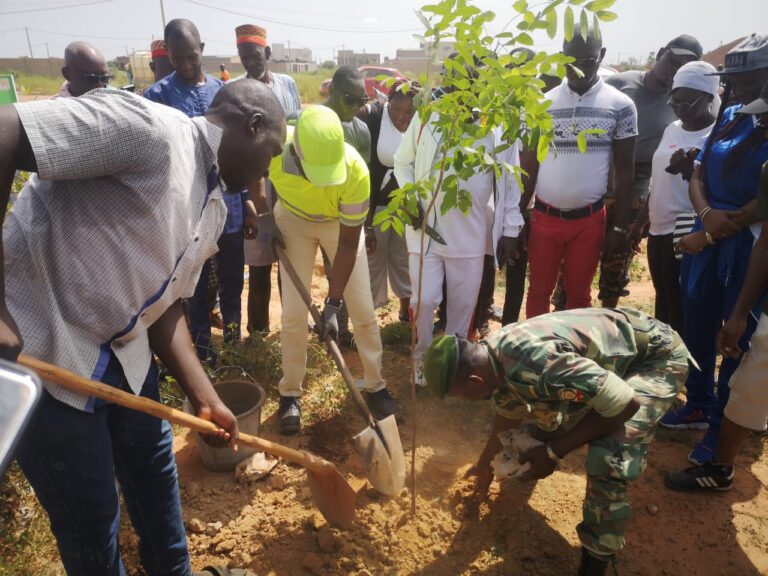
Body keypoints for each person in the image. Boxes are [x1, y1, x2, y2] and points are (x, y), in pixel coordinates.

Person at [0, 80, 285, 576]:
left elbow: (165, 308)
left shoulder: (213, 207)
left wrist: (205, 396)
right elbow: (4, 128)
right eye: (273, 153)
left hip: (125, 359)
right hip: (47, 353)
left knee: (156, 482)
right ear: (253, 125)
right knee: (93, 520)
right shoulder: (150, 132)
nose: (269, 169)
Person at [423, 308, 690, 576]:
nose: (463, 402)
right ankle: (574, 414)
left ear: (474, 380)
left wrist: (552, 452)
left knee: (608, 455)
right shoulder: (493, 358)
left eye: (460, 396)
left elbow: (626, 403)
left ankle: (596, 559)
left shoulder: (540, 365)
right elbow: (507, 412)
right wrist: (483, 466)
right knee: (538, 427)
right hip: (614, 356)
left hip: (656, 358)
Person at [660, 34, 768, 465]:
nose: (735, 87)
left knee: (735, 338)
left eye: (746, 78)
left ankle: (724, 428)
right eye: (731, 79)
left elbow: (764, 202)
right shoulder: (732, 115)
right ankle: (699, 403)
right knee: (698, 326)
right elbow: (698, 171)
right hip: (710, 236)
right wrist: (706, 219)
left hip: (749, 246)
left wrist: (711, 232)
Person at [268, 106, 398, 434]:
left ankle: (375, 384)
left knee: (364, 311)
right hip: (293, 221)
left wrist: (332, 304)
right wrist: (266, 217)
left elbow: (347, 245)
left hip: (337, 225)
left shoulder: (355, 172)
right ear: (296, 154)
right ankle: (290, 393)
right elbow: (257, 175)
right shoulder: (274, 149)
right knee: (294, 316)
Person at [393, 59, 523, 385]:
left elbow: (510, 184)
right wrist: (410, 197)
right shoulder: (427, 118)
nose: (460, 90)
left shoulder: (498, 127)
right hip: (426, 232)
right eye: (453, 82)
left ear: (481, 86)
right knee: (423, 301)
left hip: (471, 235)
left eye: (469, 83)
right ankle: (422, 361)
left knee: (462, 311)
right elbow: (402, 162)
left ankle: (451, 367)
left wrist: (509, 230)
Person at [145, 19, 246, 362]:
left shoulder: (224, 92)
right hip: (187, 209)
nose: (186, 65)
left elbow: (239, 149)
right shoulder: (156, 97)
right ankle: (203, 349)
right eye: (178, 59)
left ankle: (234, 340)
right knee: (195, 284)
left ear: (201, 50)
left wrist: (247, 203)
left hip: (228, 202)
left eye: (192, 57)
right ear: (168, 56)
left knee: (233, 277)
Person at [521, 25, 637, 318]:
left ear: (602, 56)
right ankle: (536, 356)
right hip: (545, 219)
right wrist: (516, 214)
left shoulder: (621, 106)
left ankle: (572, 357)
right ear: (562, 58)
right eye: (571, 61)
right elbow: (529, 165)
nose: (579, 69)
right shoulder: (542, 106)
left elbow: (625, 172)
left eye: (588, 61)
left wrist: (620, 227)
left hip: (589, 221)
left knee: (579, 296)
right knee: (538, 292)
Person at [597, 35, 703, 308]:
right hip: (599, 184)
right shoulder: (621, 83)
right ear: (659, 54)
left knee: (616, 265)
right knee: (577, 260)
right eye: (673, 60)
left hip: (638, 191)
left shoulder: (682, 102)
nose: (674, 69)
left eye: (683, 66)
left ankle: (606, 320)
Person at [234, 23, 302, 334]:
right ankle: (258, 334)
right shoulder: (236, 91)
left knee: (288, 262)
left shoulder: (287, 85)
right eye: (244, 56)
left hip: (287, 183)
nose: (249, 62)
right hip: (255, 184)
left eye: (255, 55)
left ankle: (291, 328)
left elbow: (298, 130)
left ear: (268, 53)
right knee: (259, 266)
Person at [647, 61, 719, 333]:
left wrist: (690, 171)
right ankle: (663, 361)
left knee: (683, 304)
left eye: (687, 103)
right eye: (674, 102)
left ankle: (684, 367)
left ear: (709, 98)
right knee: (663, 297)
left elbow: (719, 189)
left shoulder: (715, 137)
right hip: (658, 227)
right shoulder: (672, 128)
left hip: (688, 229)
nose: (679, 109)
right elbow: (658, 177)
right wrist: (644, 218)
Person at [321, 65, 372, 346]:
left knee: (342, 271)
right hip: (309, 214)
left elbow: (365, 180)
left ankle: (339, 329)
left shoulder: (361, 131)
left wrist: (370, 222)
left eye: (361, 101)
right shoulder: (310, 121)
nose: (355, 107)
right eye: (349, 100)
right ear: (331, 91)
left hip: (345, 216)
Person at [362, 79, 419, 322]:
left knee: (403, 259)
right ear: (389, 103)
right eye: (397, 109)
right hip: (377, 207)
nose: (402, 116)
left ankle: (406, 312)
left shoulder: (422, 124)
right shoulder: (375, 118)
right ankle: (372, 317)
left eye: (409, 111)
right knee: (374, 260)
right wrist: (366, 222)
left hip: (406, 209)